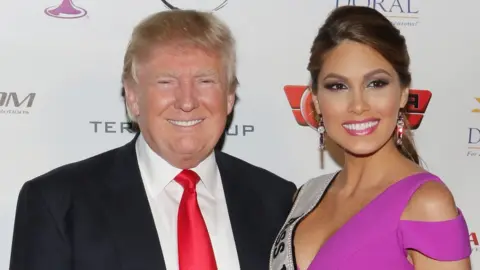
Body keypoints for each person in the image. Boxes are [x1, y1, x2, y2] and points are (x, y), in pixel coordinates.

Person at [10, 10, 296, 270]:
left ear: (230, 97)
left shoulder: (277, 201)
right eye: (166, 82)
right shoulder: (58, 204)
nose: (187, 101)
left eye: (205, 81)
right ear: (133, 98)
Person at [270, 6, 471, 270]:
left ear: (402, 94)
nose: (358, 105)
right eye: (338, 86)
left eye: (376, 83)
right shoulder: (307, 195)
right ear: (317, 101)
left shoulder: (427, 203)